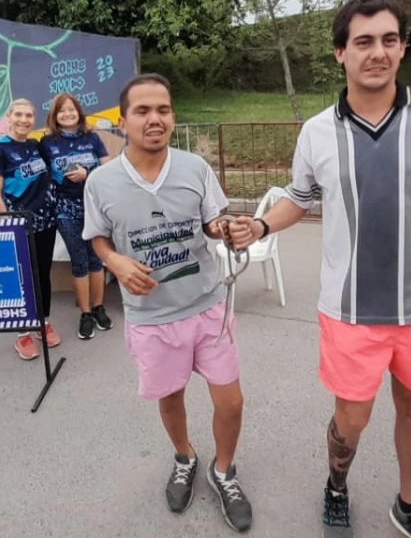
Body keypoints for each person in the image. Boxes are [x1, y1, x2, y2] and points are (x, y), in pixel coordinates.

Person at [228, 0, 411, 538]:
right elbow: (300, 196)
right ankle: (337, 484)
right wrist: (262, 224)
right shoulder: (316, 132)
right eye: (363, 42)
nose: (376, 52)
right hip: (350, 310)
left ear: (403, 48)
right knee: (352, 419)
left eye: (388, 40)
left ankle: (408, 504)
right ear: (341, 53)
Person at [83, 74, 252, 533]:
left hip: (208, 306)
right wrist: (116, 262)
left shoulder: (195, 167)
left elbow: (212, 220)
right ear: (122, 122)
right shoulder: (100, 182)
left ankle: (224, 471)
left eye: (164, 109)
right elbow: (98, 238)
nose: (155, 119)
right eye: (142, 111)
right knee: (170, 397)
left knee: (231, 402)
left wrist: (225, 229)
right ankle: (185, 458)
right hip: (152, 318)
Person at [0, 99, 61, 359]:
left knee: (43, 273)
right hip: (19, 224)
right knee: (22, 277)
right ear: (9, 116)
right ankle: (22, 334)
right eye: (19, 114)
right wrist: (9, 225)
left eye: (29, 115)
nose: (24, 119)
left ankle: (42, 323)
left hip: (46, 221)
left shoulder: (35, 146)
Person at [41, 93, 112, 340]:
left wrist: (88, 173)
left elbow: (109, 168)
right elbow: (42, 174)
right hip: (65, 209)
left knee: (96, 259)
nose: (67, 114)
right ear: (54, 115)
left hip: (93, 207)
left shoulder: (92, 137)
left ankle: (99, 307)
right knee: (79, 261)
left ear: (79, 112)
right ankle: (85, 313)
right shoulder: (47, 143)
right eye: (62, 111)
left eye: (71, 109)